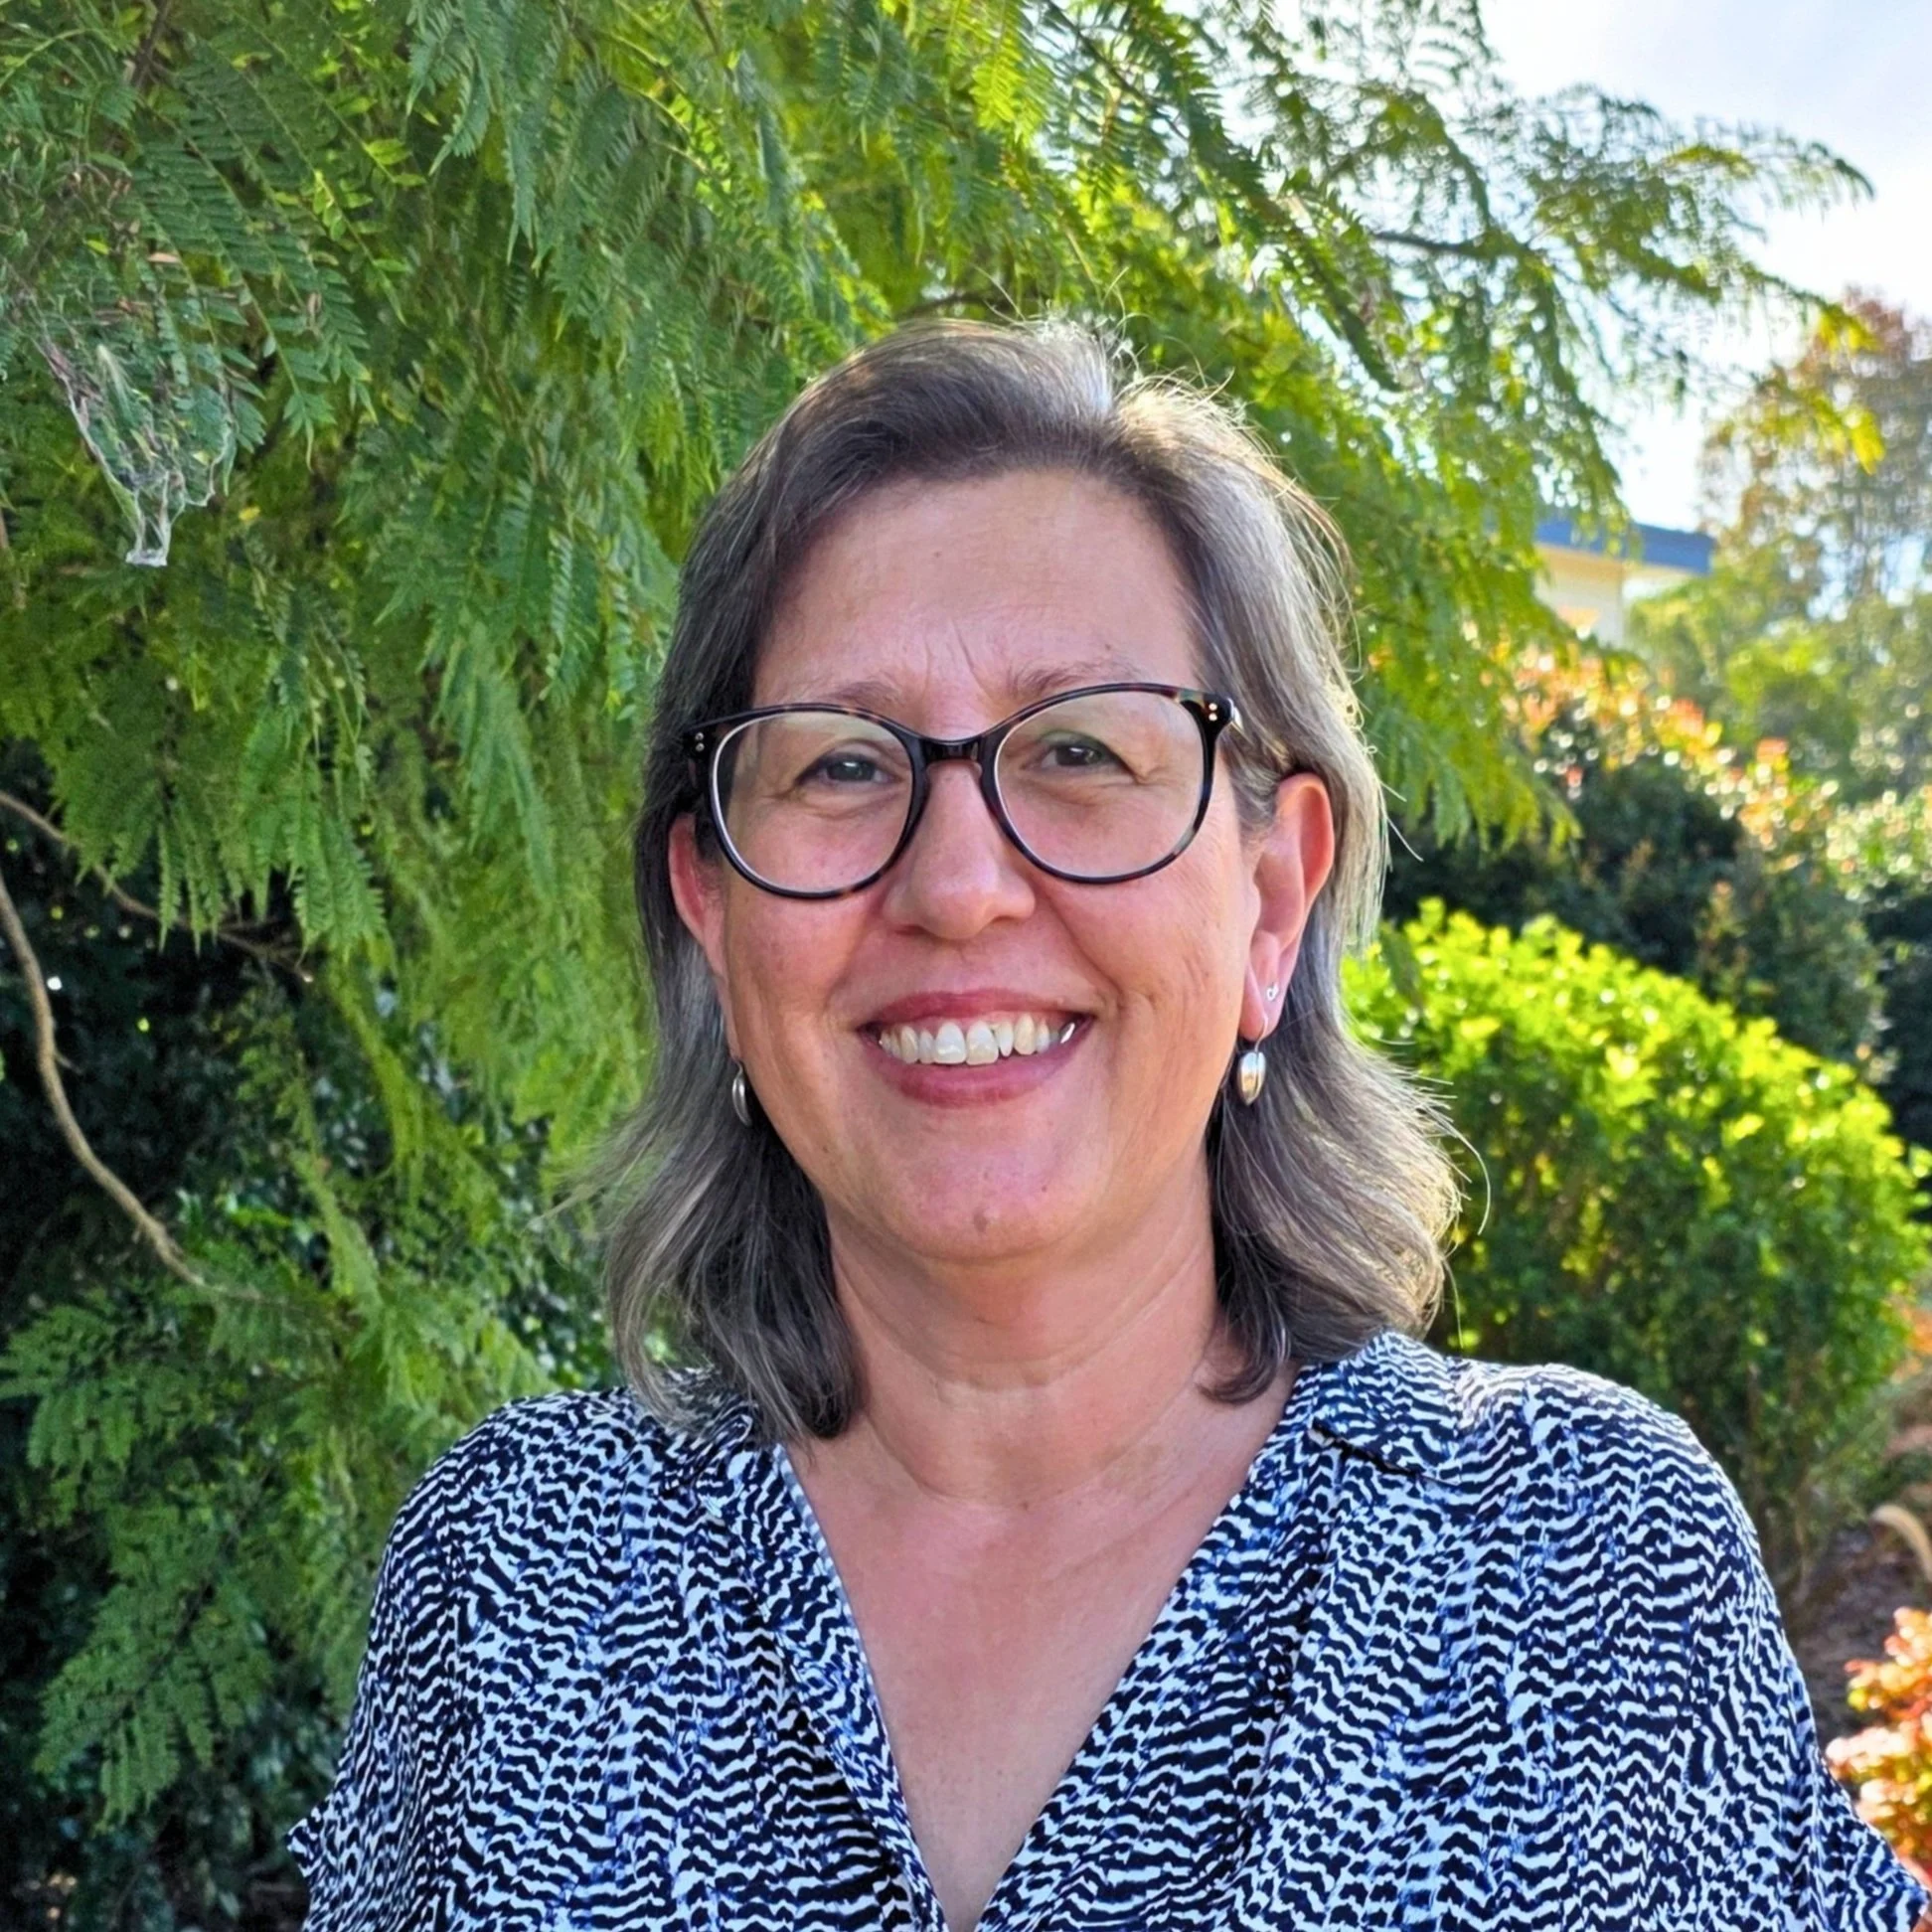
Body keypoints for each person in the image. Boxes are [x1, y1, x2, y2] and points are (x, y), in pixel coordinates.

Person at [290, 321, 1926, 1932]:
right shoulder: (514, 1574)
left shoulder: (1579, 1566)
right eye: (844, 768)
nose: (956, 887)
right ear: (715, 911)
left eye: (1080, 750)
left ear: (1272, 895)